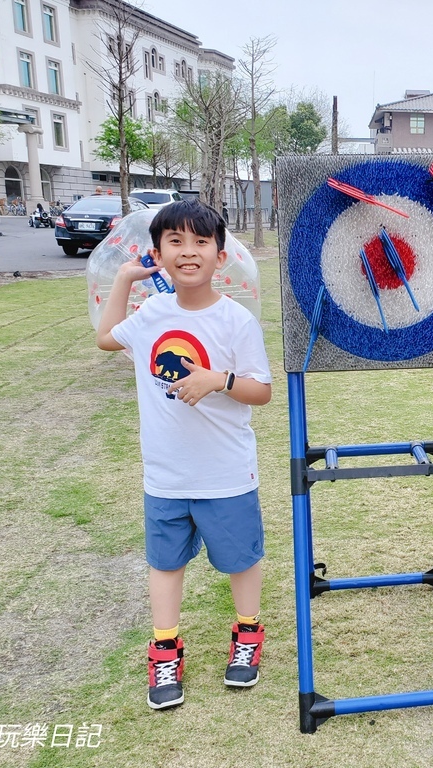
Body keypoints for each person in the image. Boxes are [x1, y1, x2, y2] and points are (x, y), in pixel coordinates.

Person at [96, 200, 273, 710]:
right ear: (158, 253)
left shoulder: (236, 320)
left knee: (241, 559)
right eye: (175, 241)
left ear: (221, 256)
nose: (188, 252)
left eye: (201, 242)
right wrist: (125, 281)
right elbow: (107, 338)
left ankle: (246, 634)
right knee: (165, 563)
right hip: (166, 475)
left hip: (225, 473)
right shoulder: (151, 314)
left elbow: (260, 390)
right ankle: (165, 646)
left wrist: (217, 379)